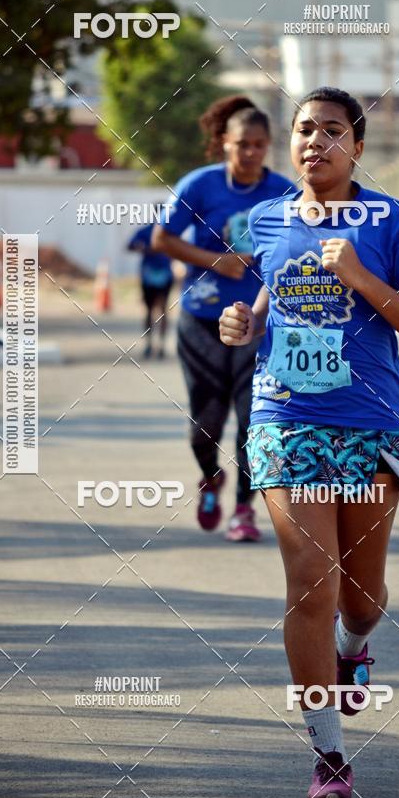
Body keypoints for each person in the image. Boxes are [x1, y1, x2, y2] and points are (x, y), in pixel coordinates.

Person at [219, 87, 399, 798]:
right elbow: (270, 295)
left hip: (371, 425)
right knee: (313, 578)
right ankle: (329, 755)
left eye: (332, 131)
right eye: (305, 129)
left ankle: (353, 645)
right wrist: (245, 323)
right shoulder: (266, 218)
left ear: (357, 148)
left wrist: (360, 277)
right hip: (285, 418)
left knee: (360, 598)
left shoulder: (395, 220)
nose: (315, 141)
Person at [152, 95, 297, 542]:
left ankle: (244, 509)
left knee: (254, 421)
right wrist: (217, 261)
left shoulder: (283, 194)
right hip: (201, 320)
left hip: (259, 325)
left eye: (258, 145)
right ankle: (211, 475)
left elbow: (296, 250)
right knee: (206, 423)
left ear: (268, 146)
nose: (250, 152)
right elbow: (162, 238)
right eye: (241, 144)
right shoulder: (200, 185)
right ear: (225, 143)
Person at [128, 212, 174, 359]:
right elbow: (130, 246)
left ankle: (160, 346)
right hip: (149, 276)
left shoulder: (171, 232)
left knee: (161, 310)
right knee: (152, 310)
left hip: (164, 275)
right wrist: (146, 248)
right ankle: (150, 345)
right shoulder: (147, 231)